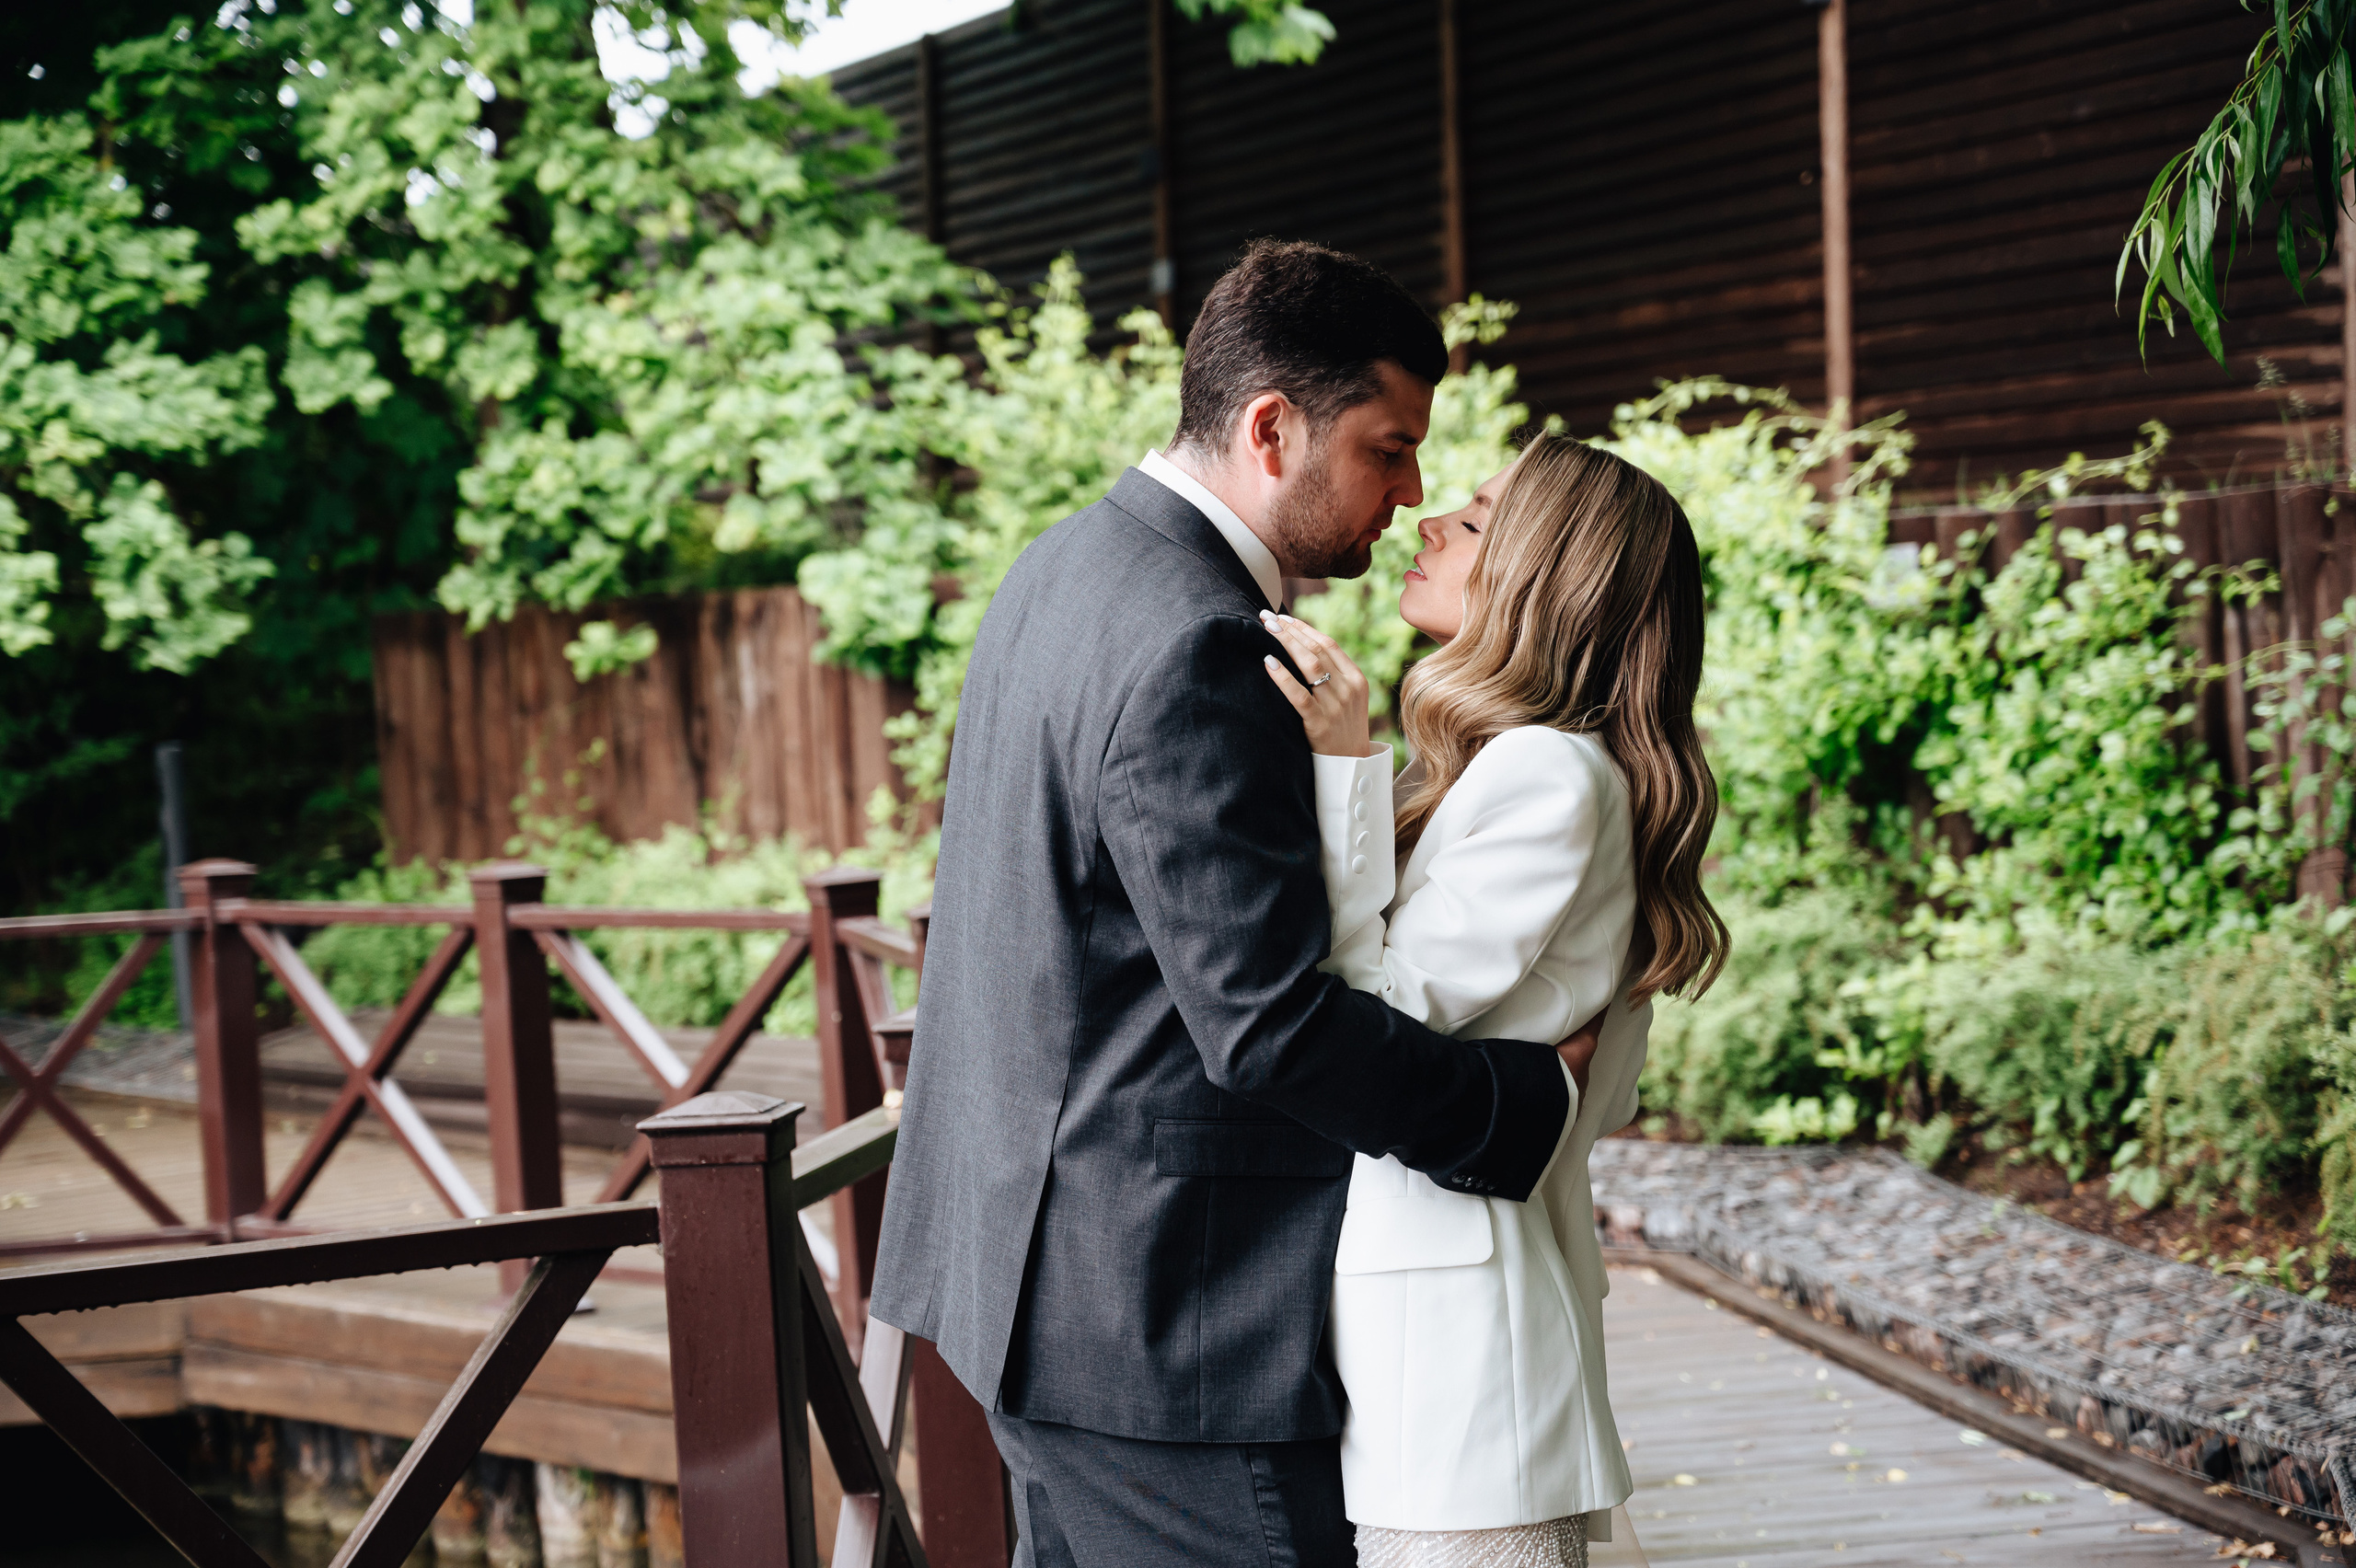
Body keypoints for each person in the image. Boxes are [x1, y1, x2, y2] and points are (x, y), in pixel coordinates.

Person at [869, 240, 1600, 1566]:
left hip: (1029, 1288)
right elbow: (1265, 1026)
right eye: (1388, 449)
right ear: (1273, 429)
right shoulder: (1203, 642)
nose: (1411, 492)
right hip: (1171, 1331)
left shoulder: (1061, 567)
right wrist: (1521, 1103)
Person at [1257, 432, 1728, 1568]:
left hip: (1463, 1366)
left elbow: (1373, 1017)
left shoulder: (1547, 773)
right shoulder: (1514, 766)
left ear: (1541, 579)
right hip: (1442, 1353)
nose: (1427, 522)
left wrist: (1342, 766)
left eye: (1470, 520)